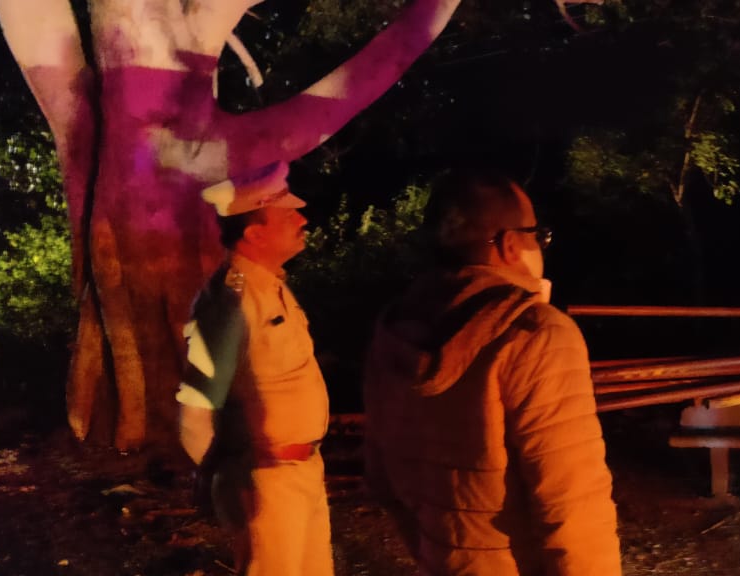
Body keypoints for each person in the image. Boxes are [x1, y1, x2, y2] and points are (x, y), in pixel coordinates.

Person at [363, 173, 621, 575]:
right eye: (538, 235)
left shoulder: (395, 329)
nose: (542, 246)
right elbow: (573, 502)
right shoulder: (536, 335)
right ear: (510, 245)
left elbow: (382, 475)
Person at [176, 161, 333, 576]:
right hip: (267, 481)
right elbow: (194, 413)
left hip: (300, 471)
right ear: (255, 234)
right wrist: (230, 481)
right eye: (287, 214)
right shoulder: (230, 303)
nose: (302, 219)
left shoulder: (270, 287)